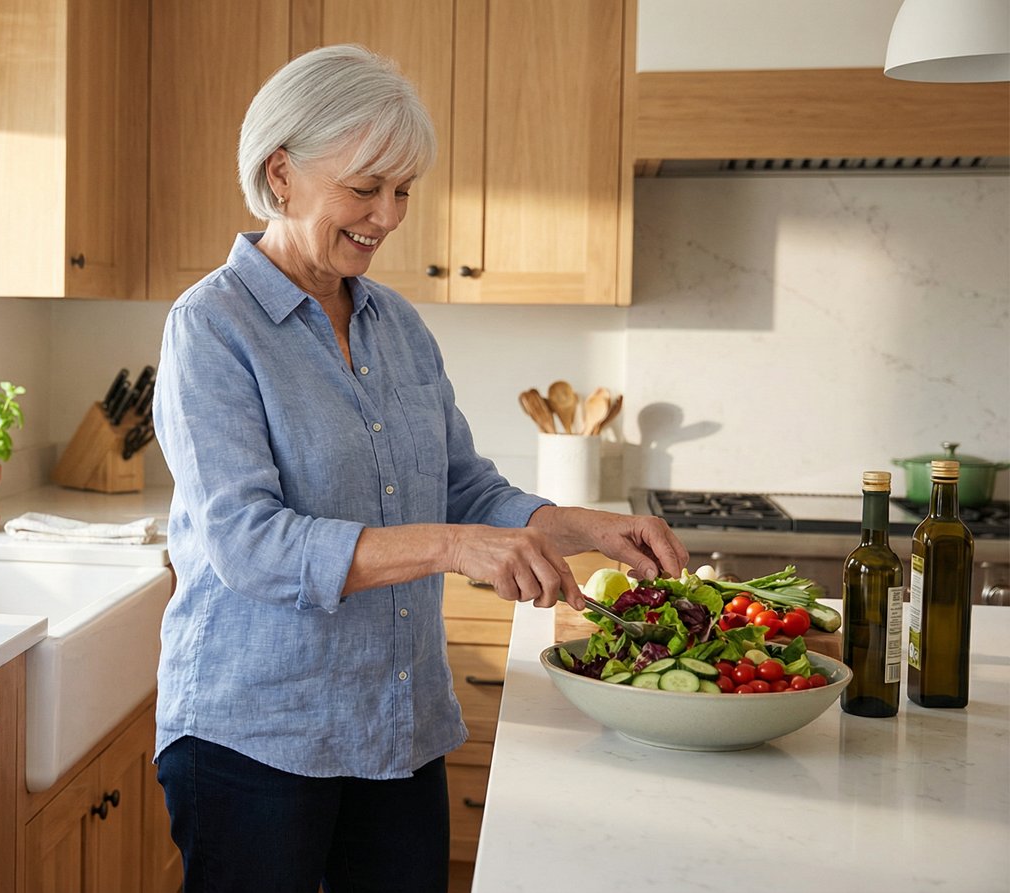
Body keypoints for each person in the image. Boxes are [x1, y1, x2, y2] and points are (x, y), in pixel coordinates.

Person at [150, 44, 688, 892]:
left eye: (403, 190)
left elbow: (465, 487)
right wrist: (449, 547)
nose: (389, 215)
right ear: (280, 174)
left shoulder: (394, 325)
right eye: (365, 188)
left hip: (397, 728)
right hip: (254, 737)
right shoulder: (212, 328)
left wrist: (587, 527)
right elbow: (248, 544)